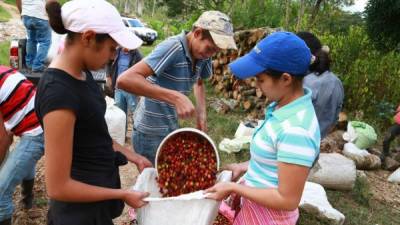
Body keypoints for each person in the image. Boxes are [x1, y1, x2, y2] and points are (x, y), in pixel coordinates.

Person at [35, 1, 152, 224]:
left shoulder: (83, 74)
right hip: (77, 215)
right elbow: (58, 187)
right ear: (87, 38)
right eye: (111, 49)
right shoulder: (58, 94)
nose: (112, 57)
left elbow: (95, 134)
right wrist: (123, 194)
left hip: (96, 206)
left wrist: (133, 156)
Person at [205, 32, 320, 225]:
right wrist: (243, 167)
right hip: (254, 209)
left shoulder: (296, 130)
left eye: (261, 79)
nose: (256, 85)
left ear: (285, 79)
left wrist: (234, 188)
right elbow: (275, 160)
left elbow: (288, 199)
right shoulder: (281, 107)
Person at [117, 11, 237, 163]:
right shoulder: (173, 47)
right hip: (150, 132)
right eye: (210, 49)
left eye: (216, 51)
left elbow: (199, 82)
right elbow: (125, 80)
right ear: (198, 33)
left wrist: (201, 116)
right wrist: (176, 97)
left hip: (171, 127)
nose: (211, 54)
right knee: (155, 182)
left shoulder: (203, 54)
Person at [0, 66, 44, 225]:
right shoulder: (3, 70)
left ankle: (25, 201)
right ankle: (28, 201)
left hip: (37, 131)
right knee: (24, 159)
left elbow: (3, 139)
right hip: (40, 118)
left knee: (1, 190)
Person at [297, 31, 344, 139]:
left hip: (295, 143)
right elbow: (335, 117)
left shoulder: (304, 83)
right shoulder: (337, 82)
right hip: (318, 141)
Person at [106, 47, 142, 121]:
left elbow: (142, 70)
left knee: (135, 113)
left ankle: (136, 131)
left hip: (131, 89)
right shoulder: (116, 52)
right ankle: (122, 132)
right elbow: (108, 62)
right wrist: (108, 76)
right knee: (120, 114)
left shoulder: (136, 54)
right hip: (118, 88)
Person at [16, 0, 51, 73]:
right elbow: (50, 1)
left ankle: (30, 64)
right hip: (40, 15)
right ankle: (37, 66)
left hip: (26, 15)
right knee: (45, 42)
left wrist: (22, 13)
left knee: (31, 40)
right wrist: (51, 16)